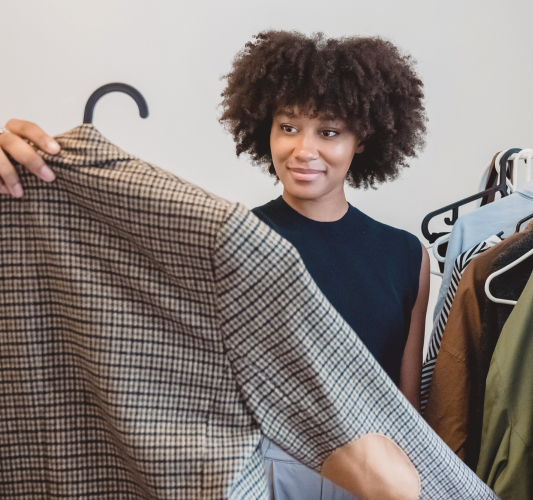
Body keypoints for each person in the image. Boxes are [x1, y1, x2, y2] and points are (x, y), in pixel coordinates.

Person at [1, 31, 430, 500]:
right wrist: (24, 169)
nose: (303, 149)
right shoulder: (229, 244)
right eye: (287, 127)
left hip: (377, 479)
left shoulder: (405, 254)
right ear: (264, 127)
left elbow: (404, 406)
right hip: (263, 471)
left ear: (363, 139)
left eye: (328, 132)